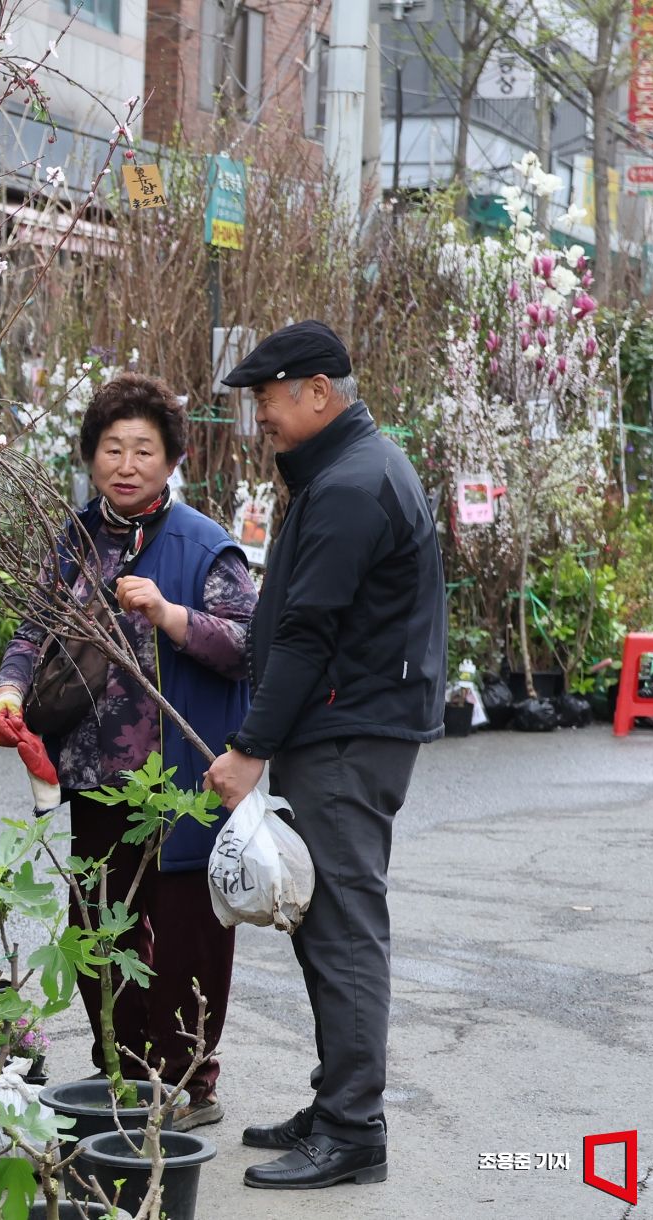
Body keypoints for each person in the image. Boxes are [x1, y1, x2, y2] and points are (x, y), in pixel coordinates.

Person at [203, 321, 446, 1190]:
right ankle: (336, 1102)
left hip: (348, 734)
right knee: (323, 922)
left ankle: (352, 1130)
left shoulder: (351, 482)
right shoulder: (343, 470)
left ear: (316, 391)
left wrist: (248, 750)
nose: (260, 415)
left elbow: (307, 633)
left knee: (341, 928)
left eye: (267, 398)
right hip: (342, 727)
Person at [0, 373, 254, 1131]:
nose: (127, 465)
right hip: (96, 776)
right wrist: (9, 690)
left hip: (179, 781)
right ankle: (125, 1073)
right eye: (112, 448)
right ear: (90, 456)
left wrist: (171, 615)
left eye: (144, 449)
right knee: (99, 927)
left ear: (172, 459)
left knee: (187, 934)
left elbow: (248, 645)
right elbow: (33, 630)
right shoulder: (73, 540)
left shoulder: (204, 545)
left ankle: (188, 1081)